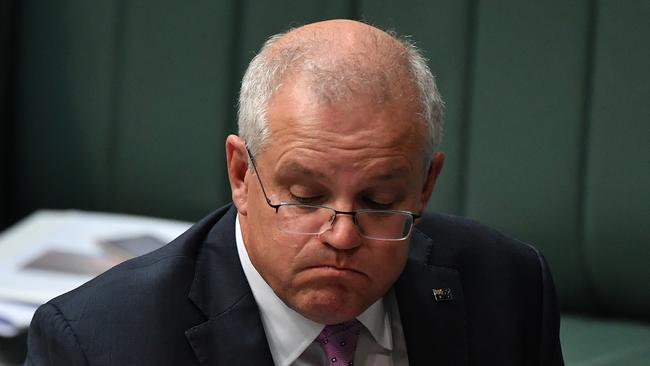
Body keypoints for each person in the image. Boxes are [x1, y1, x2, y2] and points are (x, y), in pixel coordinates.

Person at [24, 19, 564, 365]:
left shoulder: (510, 287)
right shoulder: (98, 345)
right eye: (305, 197)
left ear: (425, 187)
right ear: (241, 173)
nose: (344, 234)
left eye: (379, 202)